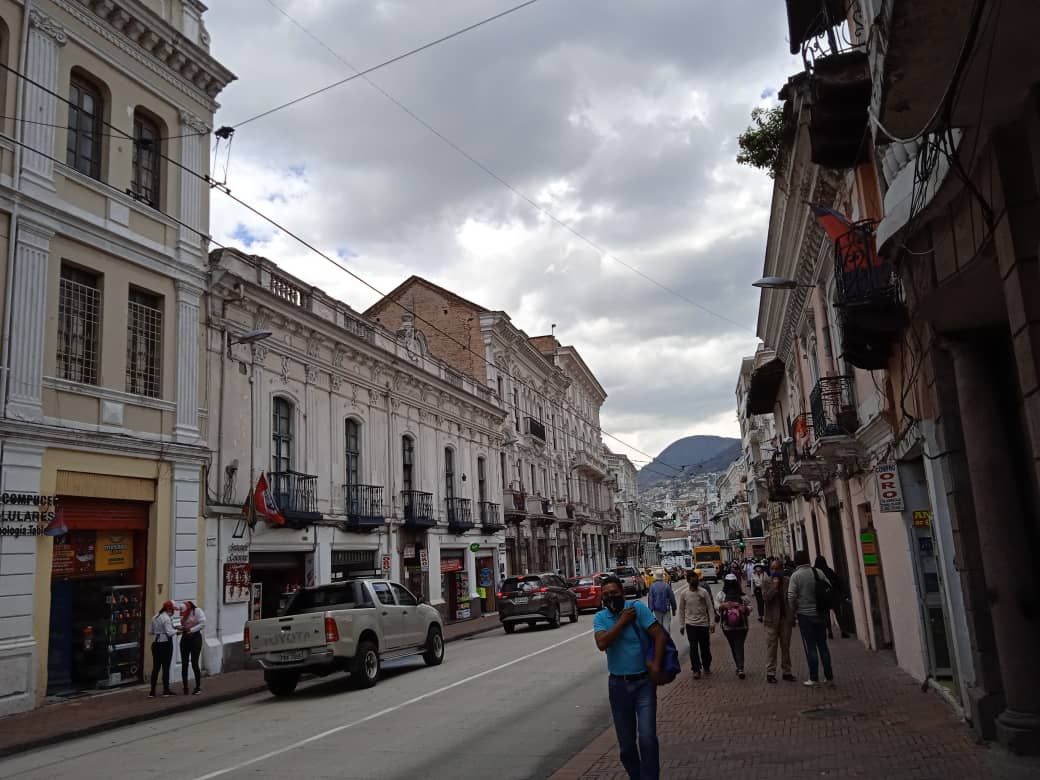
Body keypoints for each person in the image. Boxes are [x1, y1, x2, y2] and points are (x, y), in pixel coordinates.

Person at [593, 574, 668, 780]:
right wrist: (622, 622)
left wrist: (656, 665)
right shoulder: (600, 618)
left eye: (614, 593)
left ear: (622, 593)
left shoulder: (637, 609)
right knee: (626, 745)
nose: (611, 597)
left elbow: (659, 635)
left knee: (647, 738)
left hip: (644, 683)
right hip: (618, 686)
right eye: (606, 594)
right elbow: (602, 643)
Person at [789, 549, 834, 686]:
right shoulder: (817, 572)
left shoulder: (795, 576)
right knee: (823, 646)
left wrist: (794, 610)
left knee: (811, 647)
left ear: (796, 561)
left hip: (805, 615)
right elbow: (828, 586)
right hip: (820, 613)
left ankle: (814, 677)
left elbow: (791, 596)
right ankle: (829, 677)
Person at [762, 559, 796, 684]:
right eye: (772, 568)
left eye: (777, 568)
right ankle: (770, 672)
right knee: (772, 647)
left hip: (785, 619)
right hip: (771, 620)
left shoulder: (787, 581)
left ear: (782, 569)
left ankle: (787, 671)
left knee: (785, 646)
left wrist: (792, 616)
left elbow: (791, 599)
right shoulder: (766, 581)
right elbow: (765, 598)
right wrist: (774, 587)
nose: (775, 571)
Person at [678, 571, 716, 678]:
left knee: (705, 647)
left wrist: (712, 623)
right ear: (688, 581)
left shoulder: (703, 592)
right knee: (693, 648)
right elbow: (681, 610)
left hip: (703, 624)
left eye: (696, 579)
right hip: (690, 625)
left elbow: (710, 607)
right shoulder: (684, 594)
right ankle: (696, 669)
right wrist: (681, 625)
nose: (695, 582)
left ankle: (706, 666)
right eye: (692, 580)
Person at [715, 574, 752, 679]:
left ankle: (740, 667)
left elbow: (716, 607)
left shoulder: (721, 595)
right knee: (738, 646)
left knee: (734, 646)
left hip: (727, 627)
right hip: (742, 626)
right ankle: (740, 667)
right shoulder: (742, 595)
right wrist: (745, 609)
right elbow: (750, 606)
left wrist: (722, 606)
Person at [814, 555, 849, 639]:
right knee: (838, 613)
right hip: (833, 595)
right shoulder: (829, 571)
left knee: (826, 615)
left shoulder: (816, 573)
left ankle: (830, 632)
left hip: (823, 597)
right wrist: (842, 593)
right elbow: (837, 581)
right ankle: (843, 631)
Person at [149, 600, 177, 698]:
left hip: (155, 643)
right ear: (169, 609)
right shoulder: (166, 618)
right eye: (173, 610)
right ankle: (166, 690)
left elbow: (151, 631)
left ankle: (152, 691)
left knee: (155, 668)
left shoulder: (155, 617)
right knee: (166, 667)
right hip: (165, 644)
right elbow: (169, 632)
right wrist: (177, 630)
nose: (174, 612)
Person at [179, 600, 206, 695]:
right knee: (184, 663)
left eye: (186, 612)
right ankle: (185, 687)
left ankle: (198, 687)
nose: (184, 615)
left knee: (194, 662)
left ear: (189, 608)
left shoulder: (197, 611)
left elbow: (203, 623)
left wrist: (192, 629)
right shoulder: (183, 613)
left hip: (195, 638)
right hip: (185, 638)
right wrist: (181, 628)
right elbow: (183, 624)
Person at [647, 570, 676, 634]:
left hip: (657, 609)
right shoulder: (667, 586)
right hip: (666, 609)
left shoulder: (652, 587)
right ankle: (667, 638)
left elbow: (651, 599)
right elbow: (672, 598)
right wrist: (674, 609)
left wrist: (650, 611)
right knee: (666, 626)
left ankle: (662, 638)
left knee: (659, 626)